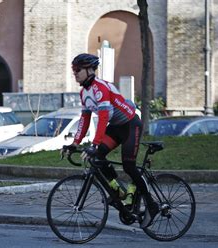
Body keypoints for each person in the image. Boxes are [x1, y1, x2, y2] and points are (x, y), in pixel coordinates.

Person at [68, 53, 159, 228]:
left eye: (78, 70)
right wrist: (75, 143)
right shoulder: (84, 92)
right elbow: (85, 119)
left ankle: (151, 204)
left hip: (131, 125)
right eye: (74, 70)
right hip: (116, 127)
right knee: (97, 159)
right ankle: (119, 191)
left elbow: (103, 117)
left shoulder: (100, 87)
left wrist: (95, 143)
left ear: (89, 70)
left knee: (129, 166)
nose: (75, 73)